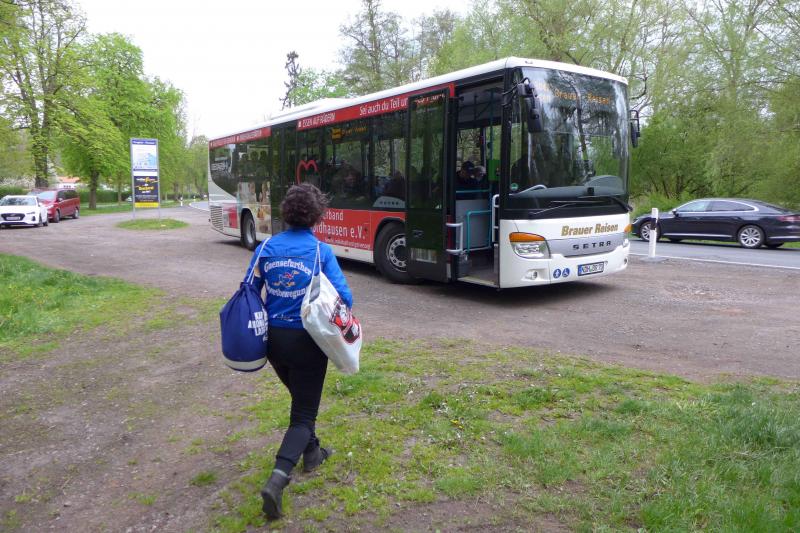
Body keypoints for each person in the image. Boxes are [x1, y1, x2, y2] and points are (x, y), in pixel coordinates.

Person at [247, 183, 353, 520]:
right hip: (308, 341)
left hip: (273, 342)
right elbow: (345, 298)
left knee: (301, 400)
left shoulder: (265, 248)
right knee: (303, 415)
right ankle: (277, 480)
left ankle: (313, 453)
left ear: (286, 213)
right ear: (317, 216)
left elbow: (249, 291)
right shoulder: (321, 252)